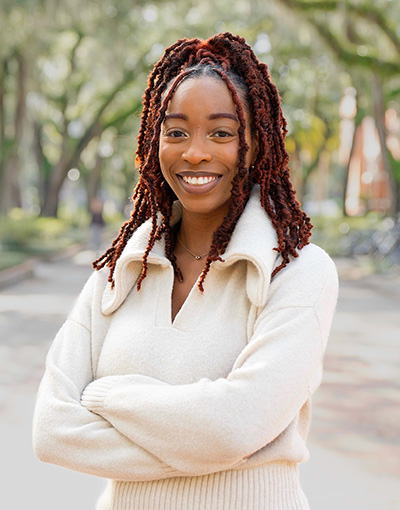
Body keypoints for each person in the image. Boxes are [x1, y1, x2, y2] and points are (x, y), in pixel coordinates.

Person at [33, 33, 338, 510]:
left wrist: (110, 397)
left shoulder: (297, 272)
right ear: (155, 142)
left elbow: (234, 425)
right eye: (176, 132)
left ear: (255, 144)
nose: (195, 152)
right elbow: (52, 430)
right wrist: (216, 445)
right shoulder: (117, 273)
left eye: (221, 133)